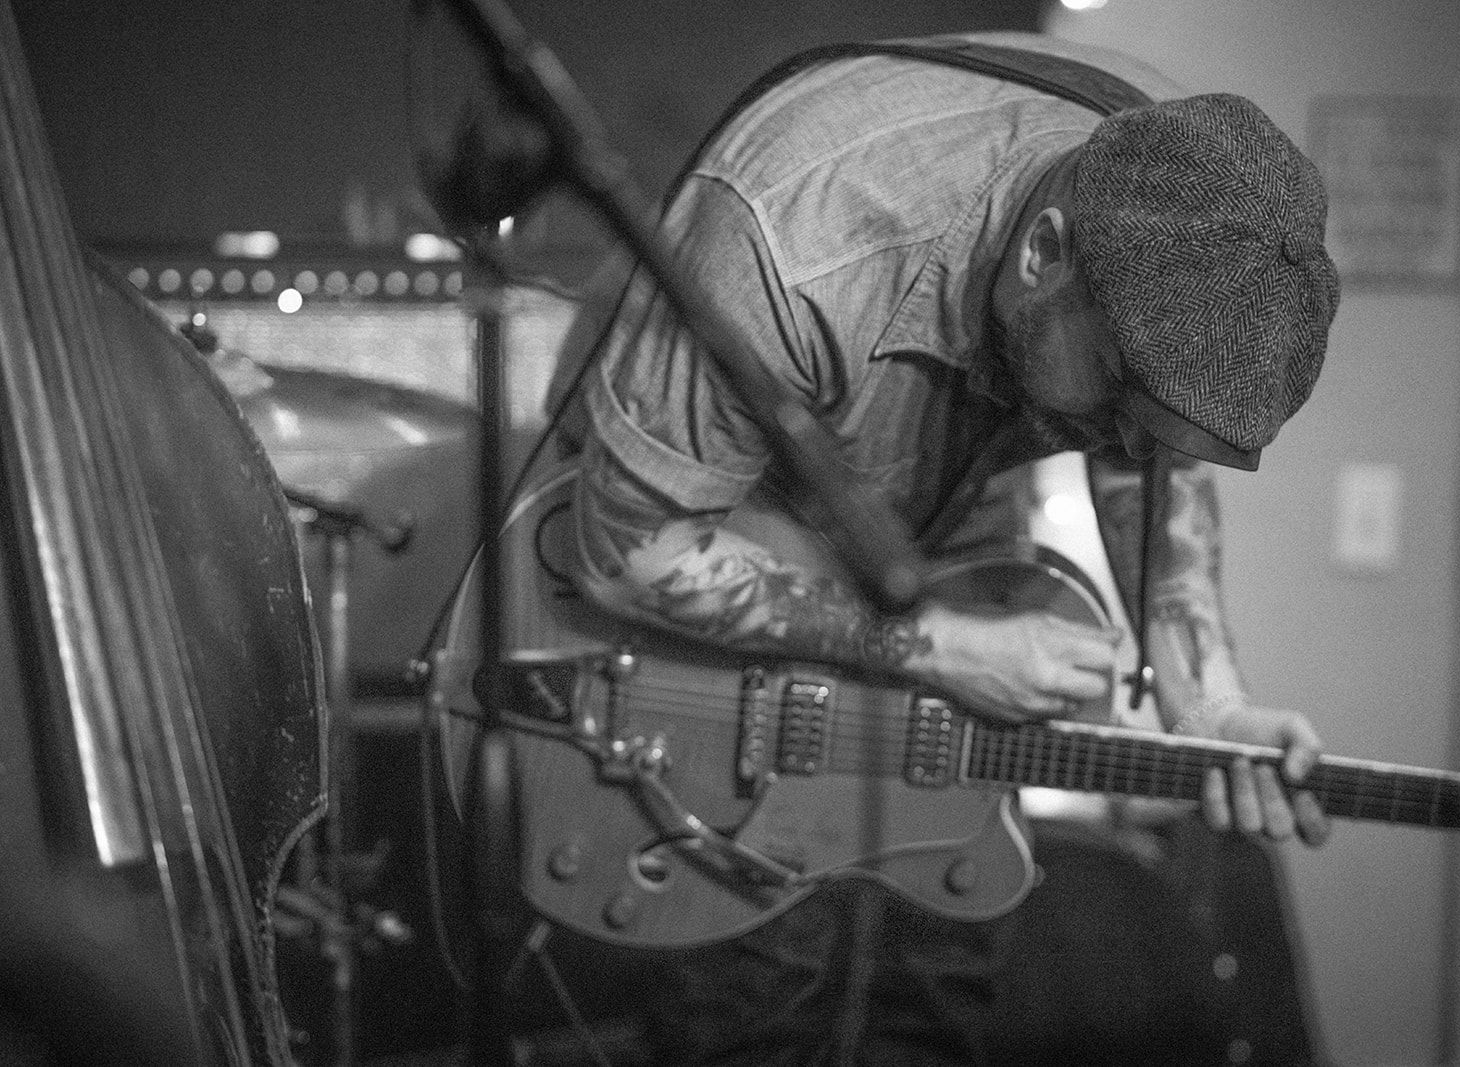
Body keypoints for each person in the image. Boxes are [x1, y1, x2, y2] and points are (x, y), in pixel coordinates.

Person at [542, 28, 1340, 1064]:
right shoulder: (791, 241)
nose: (1129, 451)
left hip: (933, 529)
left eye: (1162, 431)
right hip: (698, 606)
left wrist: (1209, 702)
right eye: (1119, 404)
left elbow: (1148, 452)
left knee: (932, 992)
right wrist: (948, 646)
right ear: (1042, 252)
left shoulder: (1180, 203)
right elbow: (630, 550)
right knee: (759, 1005)